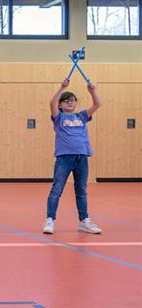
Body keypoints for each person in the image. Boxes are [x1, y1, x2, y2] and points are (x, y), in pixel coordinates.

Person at [42, 79, 102, 235]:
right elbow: (52, 103)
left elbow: (97, 104)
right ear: (61, 105)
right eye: (66, 101)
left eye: (73, 100)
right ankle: (50, 220)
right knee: (57, 189)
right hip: (64, 158)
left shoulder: (81, 116)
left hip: (82, 158)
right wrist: (62, 88)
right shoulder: (59, 118)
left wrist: (92, 91)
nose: (70, 102)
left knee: (81, 190)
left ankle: (84, 222)